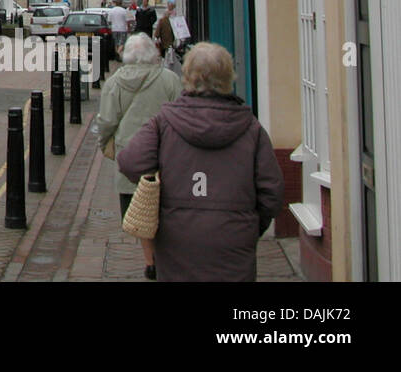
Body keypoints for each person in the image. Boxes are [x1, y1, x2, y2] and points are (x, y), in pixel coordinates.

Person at [118, 42, 284, 282]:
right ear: (228, 77)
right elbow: (272, 193)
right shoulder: (251, 129)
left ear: (187, 76)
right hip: (234, 239)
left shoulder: (164, 122)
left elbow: (130, 163)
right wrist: (250, 226)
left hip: (176, 239)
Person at [92, 33, 183, 279]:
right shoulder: (170, 80)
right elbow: (182, 115)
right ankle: (166, 257)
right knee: (165, 207)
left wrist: (105, 145)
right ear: (152, 54)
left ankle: (150, 261)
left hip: (129, 158)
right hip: (166, 156)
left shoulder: (113, 83)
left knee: (140, 210)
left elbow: (107, 121)